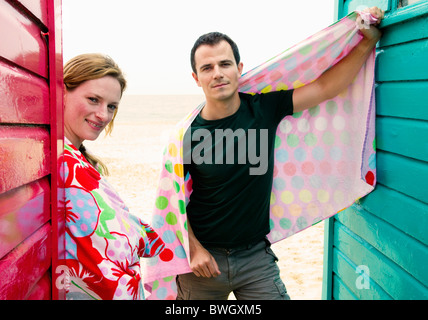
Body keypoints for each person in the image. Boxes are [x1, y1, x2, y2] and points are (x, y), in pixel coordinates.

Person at [176, 7, 384, 300]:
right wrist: (194, 249)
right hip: (202, 264)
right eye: (207, 68)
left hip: (255, 258)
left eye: (225, 64)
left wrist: (366, 42)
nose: (218, 73)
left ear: (239, 68)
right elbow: (173, 203)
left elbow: (325, 88)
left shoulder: (263, 109)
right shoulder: (185, 135)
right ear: (196, 78)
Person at [61, 53, 165, 300]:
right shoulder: (66, 163)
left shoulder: (76, 157)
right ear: (62, 91)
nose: (103, 115)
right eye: (93, 99)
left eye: (111, 106)